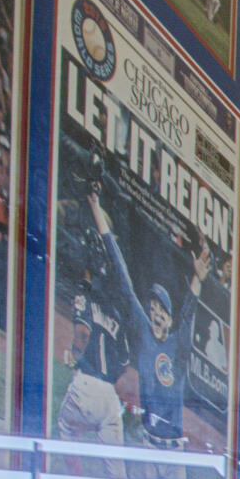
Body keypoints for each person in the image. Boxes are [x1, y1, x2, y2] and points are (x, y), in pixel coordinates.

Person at [93, 191, 213, 446]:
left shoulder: (177, 343)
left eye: (162, 310)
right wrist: (95, 206)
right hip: (147, 441)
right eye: (153, 307)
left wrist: (197, 279)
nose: (156, 313)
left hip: (174, 444)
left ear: (170, 320)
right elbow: (122, 276)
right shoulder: (144, 331)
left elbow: (189, 309)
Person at [56, 282, 128, 443]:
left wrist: (75, 358)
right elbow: (124, 365)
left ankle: (76, 470)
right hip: (110, 395)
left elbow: (82, 334)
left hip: (86, 383)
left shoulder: (85, 296)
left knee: (65, 429)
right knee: (116, 463)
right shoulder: (117, 315)